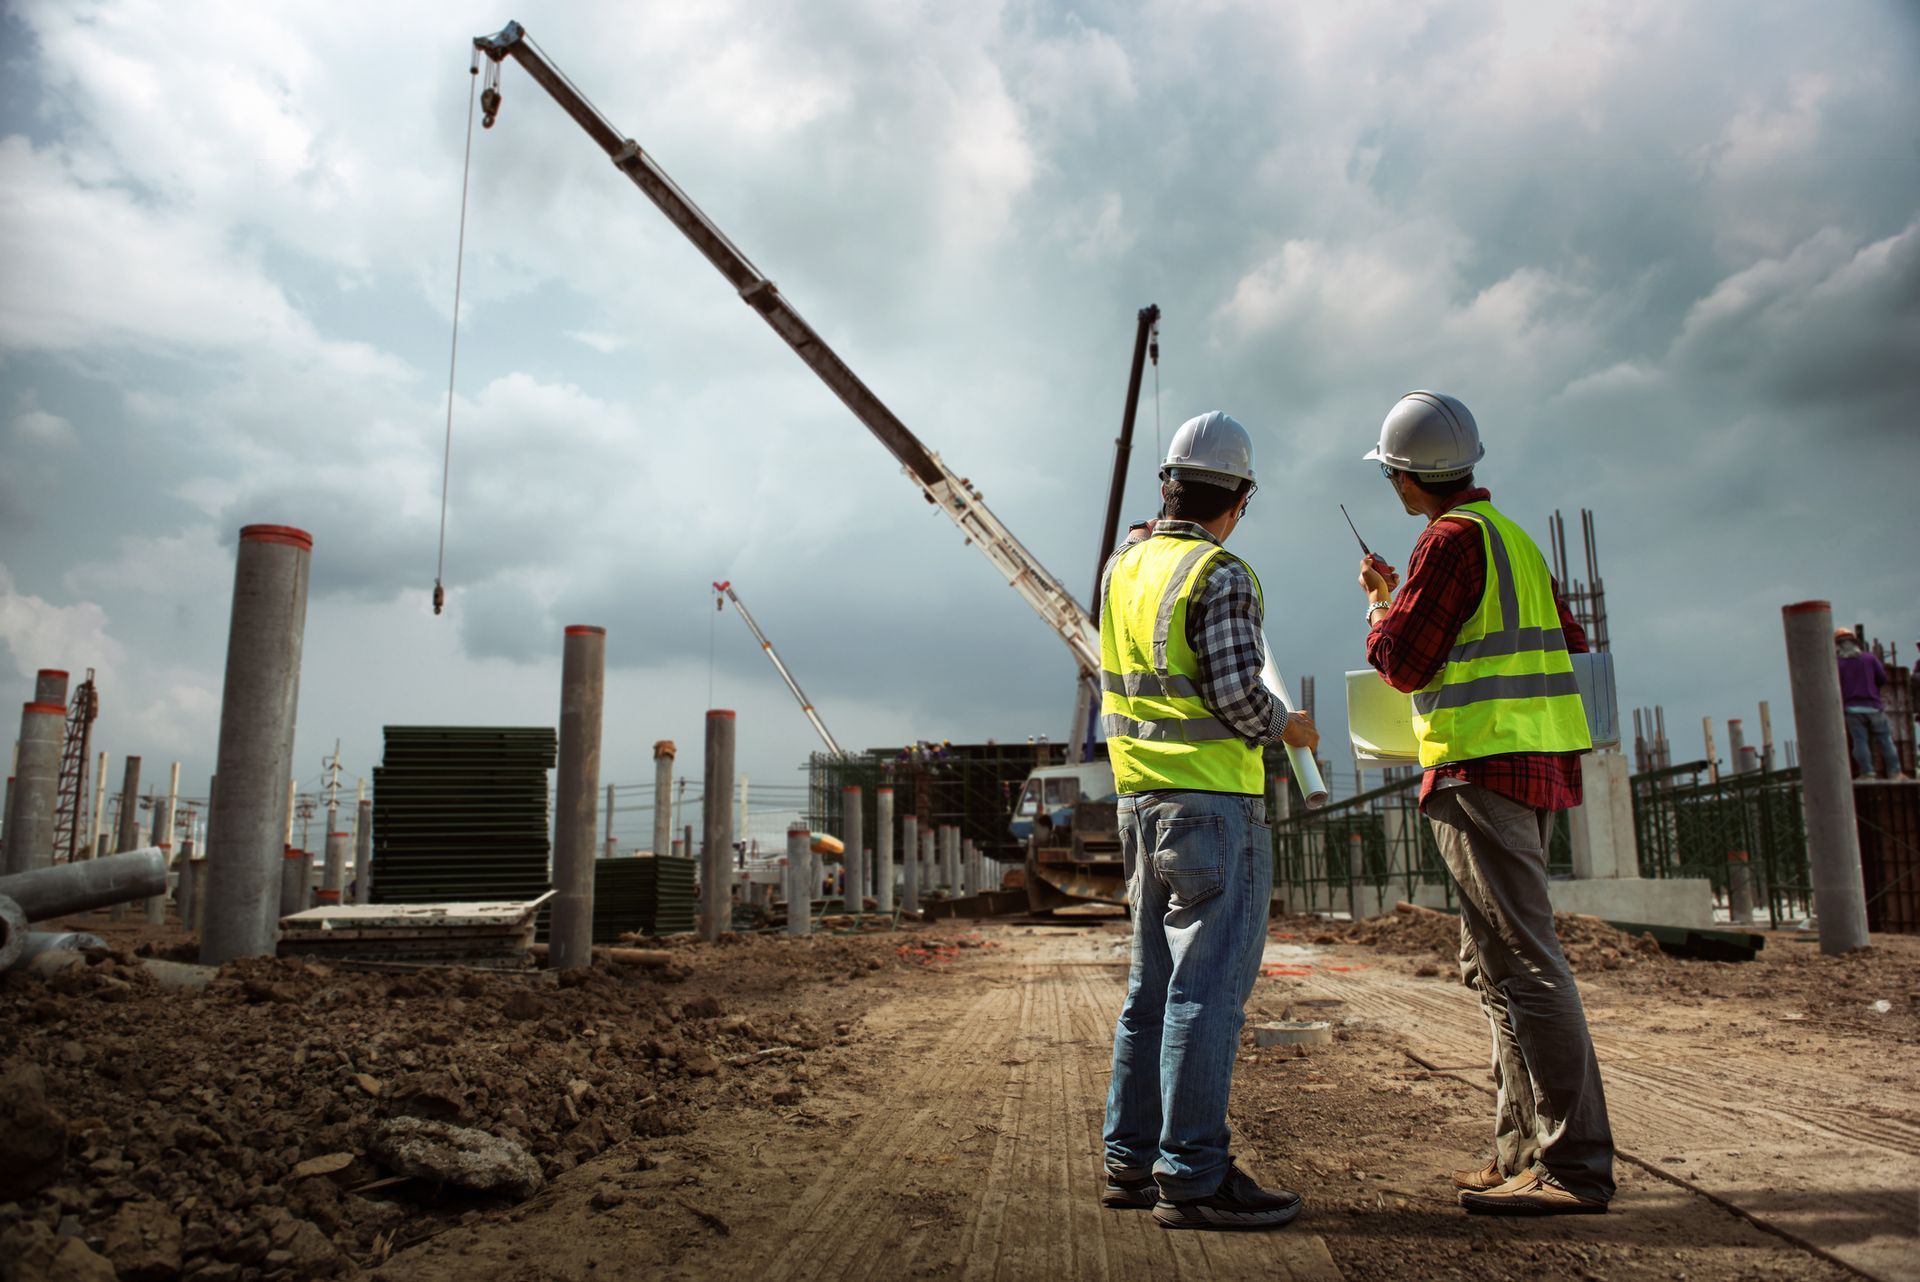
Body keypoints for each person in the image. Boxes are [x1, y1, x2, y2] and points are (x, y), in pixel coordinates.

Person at [1356, 391, 1614, 1215]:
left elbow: (1400, 660)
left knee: (1525, 962)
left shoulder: (1448, 541)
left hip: (1480, 770)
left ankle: (1573, 1165)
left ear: (1404, 475)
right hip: (1531, 765)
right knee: (1498, 967)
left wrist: (1381, 603)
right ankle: (1518, 1154)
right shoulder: (1513, 542)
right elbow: (1564, 642)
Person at [1099, 411, 1319, 1231]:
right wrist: (1286, 728)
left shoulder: (1123, 568)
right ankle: (1192, 1173)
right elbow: (1234, 695)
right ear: (1241, 497)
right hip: (1210, 808)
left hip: (1138, 802)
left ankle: (1130, 1160)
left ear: (1168, 485)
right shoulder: (1221, 574)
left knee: (1150, 988)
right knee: (1208, 991)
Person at [1836, 629, 1911, 781]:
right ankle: (1895, 773)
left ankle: (1867, 773)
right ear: (1856, 642)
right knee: (1885, 740)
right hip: (1874, 706)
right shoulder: (1869, 658)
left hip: (1852, 709)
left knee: (1860, 741)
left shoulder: (1837, 664)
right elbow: (1882, 678)